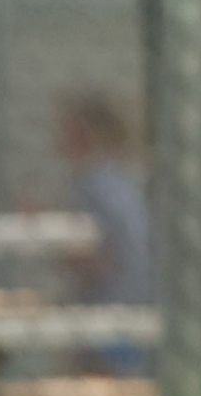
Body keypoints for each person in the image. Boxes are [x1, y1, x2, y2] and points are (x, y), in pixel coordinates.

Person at [55, 89, 154, 375]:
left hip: (111, 310)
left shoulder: (95, 183)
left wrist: (47, 236)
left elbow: (98, 253)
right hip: (126, 306)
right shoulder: (115, 179)